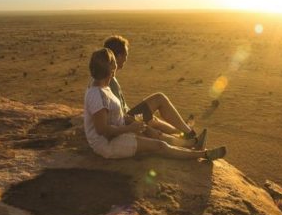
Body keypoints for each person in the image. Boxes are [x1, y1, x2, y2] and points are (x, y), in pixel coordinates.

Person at [84, 48, 226, 160]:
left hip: (116, 134)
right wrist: (129, 128)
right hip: (107, 145)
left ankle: (191, 143)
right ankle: (203, 154)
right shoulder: (97, 95)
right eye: (113, 71)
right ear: (108, 70)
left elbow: (114, 116)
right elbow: (102, 130)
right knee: (159, 146)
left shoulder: (103, 87)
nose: (114, 74)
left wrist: (129, 121)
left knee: (150, 130)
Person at [103, 35, 198, 140]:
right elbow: (119, 114)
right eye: (126, 54)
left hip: (126, 118)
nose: (126, 58)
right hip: (124, 122)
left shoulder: (107, 76)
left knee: (154, 119)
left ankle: (182, 131)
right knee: (159, 98)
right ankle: (189, 133)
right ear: (119, 56)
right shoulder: (108, 80)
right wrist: (135, 121)